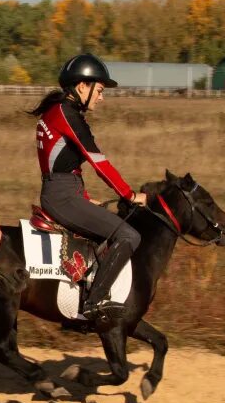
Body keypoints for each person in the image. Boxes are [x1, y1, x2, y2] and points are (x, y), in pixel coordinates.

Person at [29, 53, 146, 320]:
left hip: (64, 192)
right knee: (130, 236)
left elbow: (65, 165)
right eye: (100, 90)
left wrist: (84, 197)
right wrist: (129, 194)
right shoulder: (67, 114)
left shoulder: (57, 112)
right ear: (83, 86)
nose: (101, 97)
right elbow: (98, 161)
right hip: (62, 197)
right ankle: (95, 301)